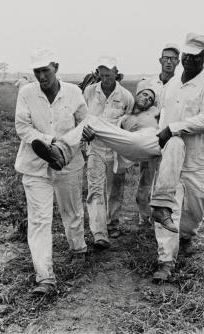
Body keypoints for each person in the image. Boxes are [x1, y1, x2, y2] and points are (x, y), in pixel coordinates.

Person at [31, 88, 179, 233]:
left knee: (146, 186)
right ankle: (61, 152)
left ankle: (61, 151)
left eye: (150, 99)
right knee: (91, 121)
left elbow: (169, 116)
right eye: (144, 95)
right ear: (136, 95)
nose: (147, 99)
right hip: (131, 145)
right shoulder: (124, 116)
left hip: (152, 140)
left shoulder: (154, 112)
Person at [150, 33, 204, 283]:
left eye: (196, 57)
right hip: (173, 158)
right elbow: (164, 116)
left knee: (195, 210)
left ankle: (186, 235)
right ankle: (165, 260)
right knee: (166, 203)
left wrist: (174, 129)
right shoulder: (173, 84)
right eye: (187, 55)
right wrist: (161, 139)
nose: (189, 60)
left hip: (201, 159)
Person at [14, 48, 88, 296]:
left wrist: (84, 134)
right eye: (37, 71)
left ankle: (78, 249)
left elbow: (84, 123)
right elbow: (23, 127)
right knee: (39, 220)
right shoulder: (27, 93)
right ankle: (45, 277)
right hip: (35, 165)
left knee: (72, 209)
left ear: (56, 67)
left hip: (68, 161)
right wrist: (50, 141)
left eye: (45, 70)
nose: (41, 76)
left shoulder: (74, 92)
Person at [83, 56, 134, 246]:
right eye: (102, 75)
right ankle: (99, 232)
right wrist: (85, 133)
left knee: (115, 188)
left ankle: (112, 223)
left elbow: (130, 121)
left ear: (116, 73)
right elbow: (81, 116)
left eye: (109, 74)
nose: (105, 78)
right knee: (95, 189)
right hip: (95, 146)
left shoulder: (126, 96)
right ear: (98, 73)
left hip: (116, 149)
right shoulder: (89, 92)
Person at [135, 43, 180, 225]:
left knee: (167, 177)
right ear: (160, 60)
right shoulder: (147, 83)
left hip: (169, 136)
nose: (169, 62)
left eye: (173, 59)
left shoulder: (180, 84)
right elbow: (138, 107)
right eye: (166, 58)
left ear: (178, 62)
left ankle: (162, 215)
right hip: (150, 136)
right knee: (146, 175)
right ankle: (143, 216)